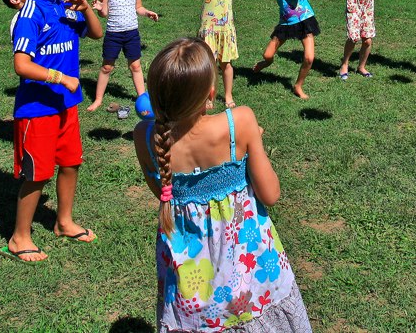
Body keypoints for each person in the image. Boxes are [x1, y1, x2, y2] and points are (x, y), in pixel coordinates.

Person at [134, 39, 313, 332]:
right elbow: (271, 194)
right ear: (211, 93)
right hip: (252, 277)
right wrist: (256, 140)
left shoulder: (144, 137)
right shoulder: (239, 122)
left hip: (190, 286)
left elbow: (164, 193)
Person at [6, 0, 105, 262]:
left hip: (66, 107)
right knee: (37, 174)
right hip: (37, 110)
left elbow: (96, 33)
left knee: (71, 162)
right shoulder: (29, 15)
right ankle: (20, 237)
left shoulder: (62, 8)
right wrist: (60, 78)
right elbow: (22, 65)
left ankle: (63, 222)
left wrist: (87, 9)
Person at [89, 0, 161, 113]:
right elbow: (104, 14)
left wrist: (147, 12)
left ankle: (142, 97)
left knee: (135, 66)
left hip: (131, 34)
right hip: (113, 35)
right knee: (107, 67)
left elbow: (138, 8)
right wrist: (100, 8)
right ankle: (98, 99)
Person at [253, 0, 320, 100]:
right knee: (267, 55)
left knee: (309, 58)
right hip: (286, 22)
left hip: (304, 19)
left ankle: (298, 86)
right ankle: (265, 63)